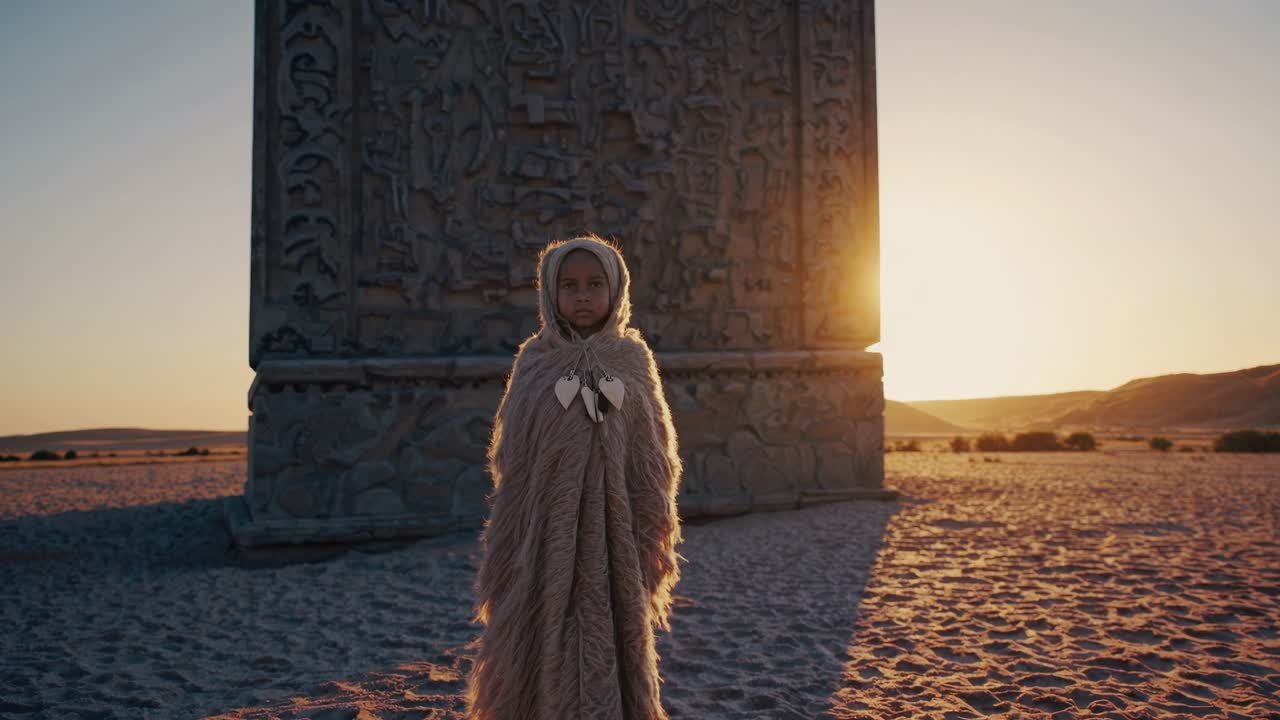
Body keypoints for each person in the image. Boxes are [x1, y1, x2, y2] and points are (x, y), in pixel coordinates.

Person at [464, 234, 684, 720]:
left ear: (616, 289)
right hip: (547, 535)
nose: (582, 295)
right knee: (545, 627)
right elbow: (515, 458)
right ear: (549, 292)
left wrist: (651, 525)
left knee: (612, 630)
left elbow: (653, 453)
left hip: (616, 537)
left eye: (594, 284)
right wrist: (515, 532)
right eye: (569, 285)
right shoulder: (535, 363)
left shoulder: (632, 361)